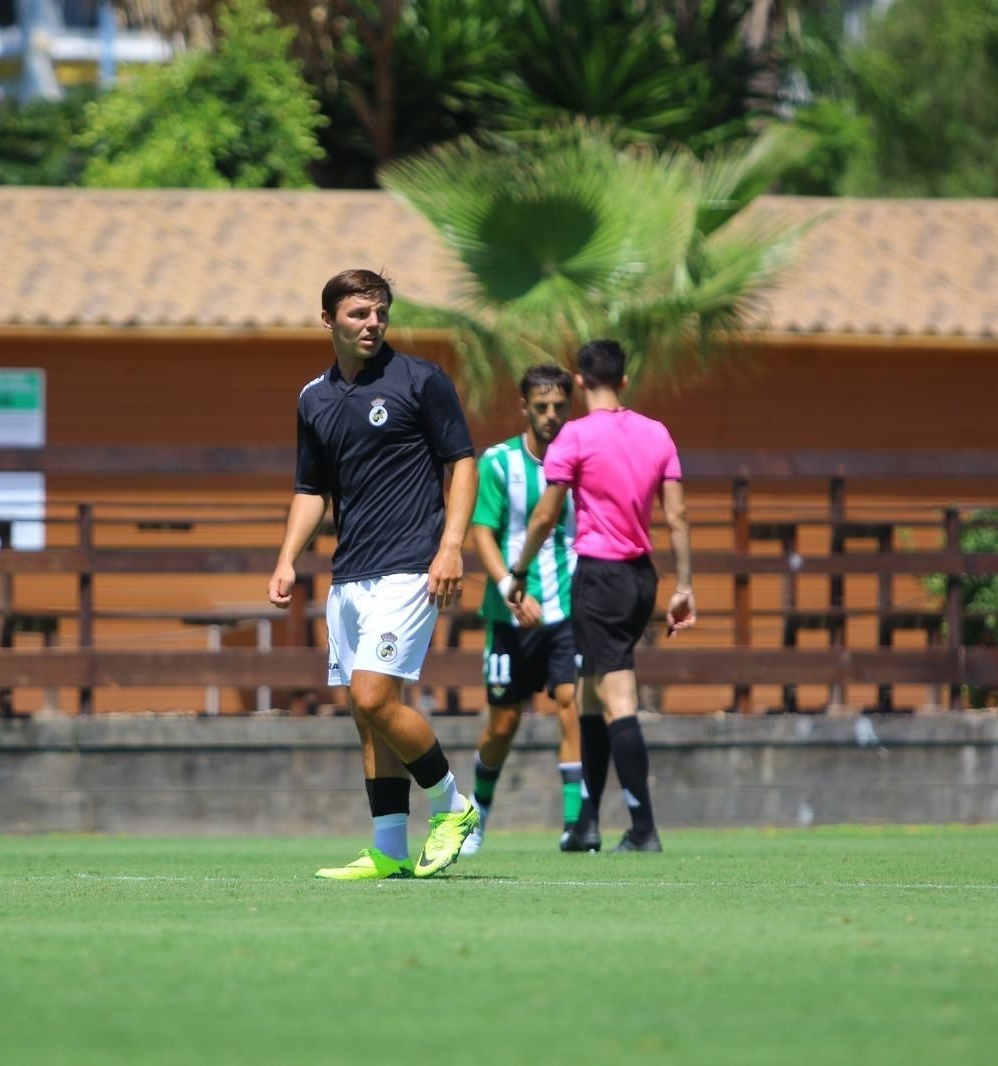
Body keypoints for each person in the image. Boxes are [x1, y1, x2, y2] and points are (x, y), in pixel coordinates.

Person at [269, 268, 481, 880]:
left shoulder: (421, 380)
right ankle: (389, 849)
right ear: (329, 320)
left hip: (411, 566)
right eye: (360, 313)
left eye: (381, 312)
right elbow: (311, 489)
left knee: (374, 696)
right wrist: (287, 557)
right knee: (368, 716)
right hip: (350, 575)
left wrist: (451, 547)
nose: (373, 323)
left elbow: (461, 465)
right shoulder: (313, 397)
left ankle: (453, 806)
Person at [507, 340, 694, 853]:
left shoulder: (575, 436)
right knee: (590, 692)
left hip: (600, 579)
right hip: (640, 580)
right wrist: (684, 586)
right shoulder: (657, 433)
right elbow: (677, 516)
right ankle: (586, 822)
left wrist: (517, 571)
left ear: (581, 382)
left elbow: (546, 515)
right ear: (625, 381)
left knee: (617, 699)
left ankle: (643, 827)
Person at [463, 364, 583, 856]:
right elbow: (482, 532)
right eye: (542, 406)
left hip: (567, 607)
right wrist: (509, 586)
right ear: (525, 407)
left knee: (571, 704)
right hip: (508, 614)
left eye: (559, 406)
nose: (551, 415)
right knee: (503, 723)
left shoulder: (581, 462)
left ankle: (577, 825)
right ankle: (477, 815)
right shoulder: (498, 463)